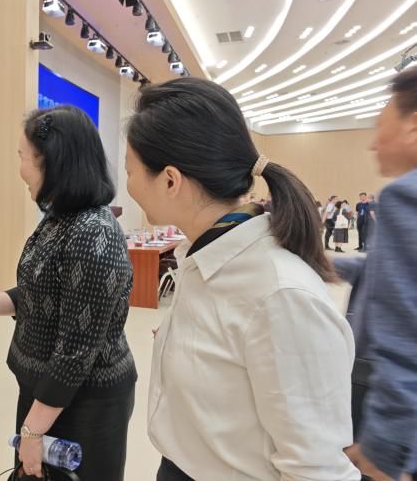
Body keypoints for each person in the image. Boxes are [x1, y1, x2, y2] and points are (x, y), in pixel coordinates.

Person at [123, 77, 359, 480]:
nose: (127, 185)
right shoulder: (205, 256)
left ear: (170, 180)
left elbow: (317, 468)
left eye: (130, 171)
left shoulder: (281, 295)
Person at [0, 106, 137, 480]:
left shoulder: (93, 232)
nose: (19, 168)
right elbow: (39, 290)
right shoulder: (59, 218)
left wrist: (32, 432)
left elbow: (76, 349)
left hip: (82, 400)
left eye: (23, 156)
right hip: (46, 393)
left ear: (52, 161)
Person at [335, 66, 417, 481]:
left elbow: (404, 338)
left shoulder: (405, 196)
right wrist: (331, 263)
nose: (372, 142)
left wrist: (384, 447)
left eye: (380, 126)